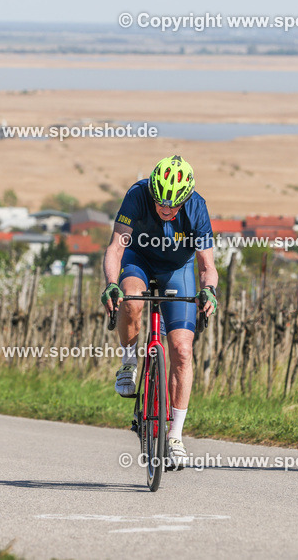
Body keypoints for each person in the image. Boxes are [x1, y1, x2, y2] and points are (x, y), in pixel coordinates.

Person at [101, 155, 218, 469]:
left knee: (181, 349)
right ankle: (128, 363)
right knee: (132, 301)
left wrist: (209, 290)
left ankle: (176, 436)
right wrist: (111, 283)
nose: (166, 211)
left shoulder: (197, 207)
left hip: (177, 269)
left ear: (185, 200)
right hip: (139, 260)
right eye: (160, 204)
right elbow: (115, 248)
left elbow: (208, 266)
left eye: (173, 206)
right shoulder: (137, 195)